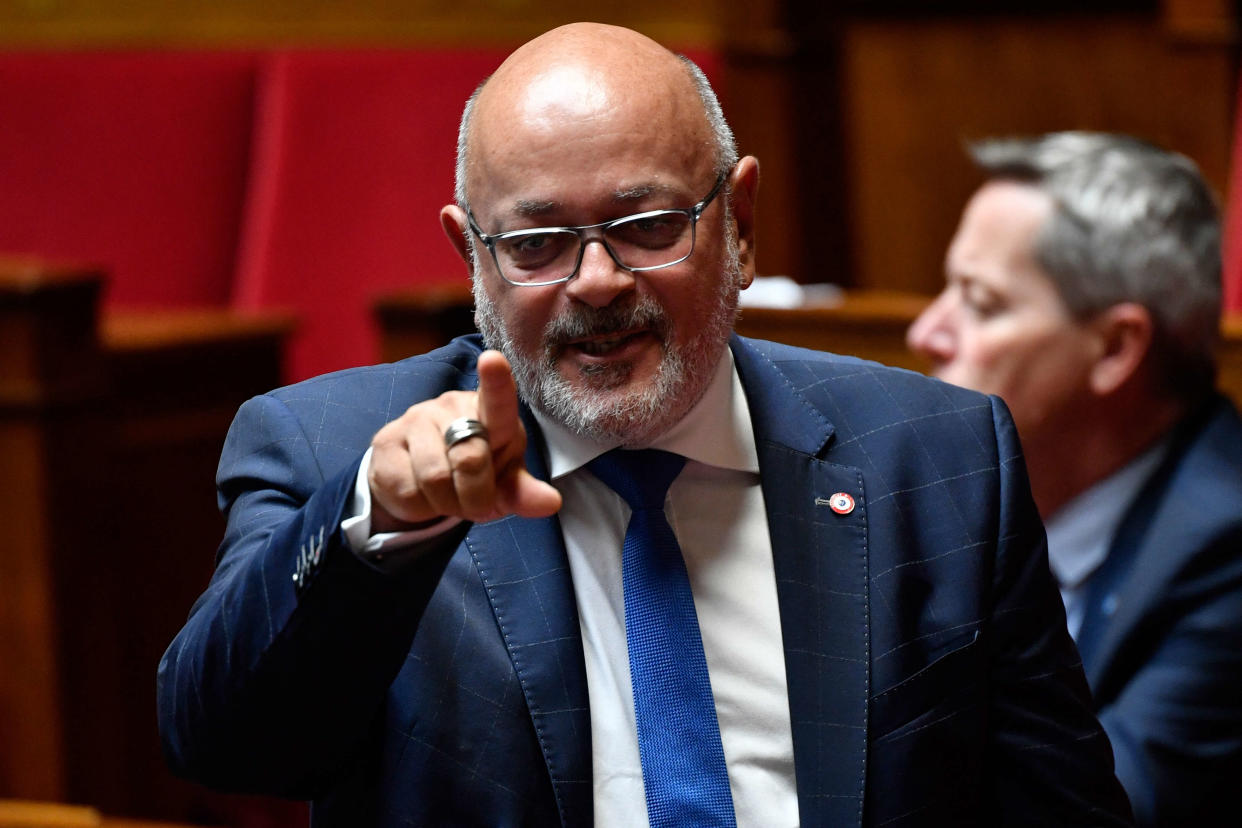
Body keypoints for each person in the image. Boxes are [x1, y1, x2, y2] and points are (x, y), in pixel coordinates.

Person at [158, 25, 1133, 827]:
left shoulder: (939, 458)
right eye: (537, 243)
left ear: (739, 224)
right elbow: (226, 746)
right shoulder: (335, 450)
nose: (595, 282)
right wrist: (379, 525)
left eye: (647, 226)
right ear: (472, 259)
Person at [907, 131, 1242, 827]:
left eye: (980, 301)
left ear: (1116, 349)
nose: (927, 331)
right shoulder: (944, 492)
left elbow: (1113, 811)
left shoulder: (1226, 548)